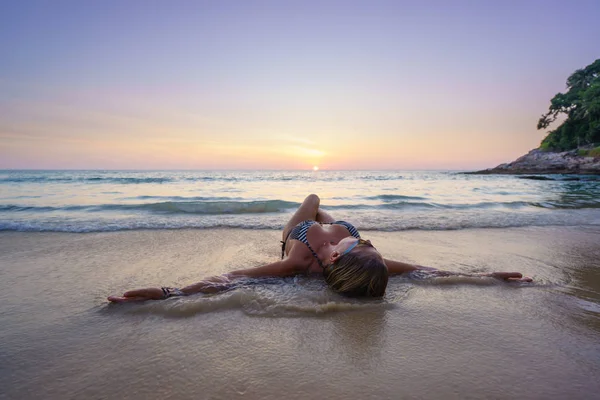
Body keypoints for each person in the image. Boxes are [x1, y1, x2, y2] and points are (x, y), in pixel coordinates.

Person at [108, 194, 531, 303]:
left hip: (302, 231)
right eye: (371, 247)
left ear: (332, 259)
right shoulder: (366, 256)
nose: (369, 245)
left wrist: (171, 293)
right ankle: (327, 215)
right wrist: (488, 277)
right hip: (332, 231)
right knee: (335, 217)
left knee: (312, 200)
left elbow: (229, 279)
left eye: (361, 246)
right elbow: (430, 271)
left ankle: (317, 208)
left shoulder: (297, 260)